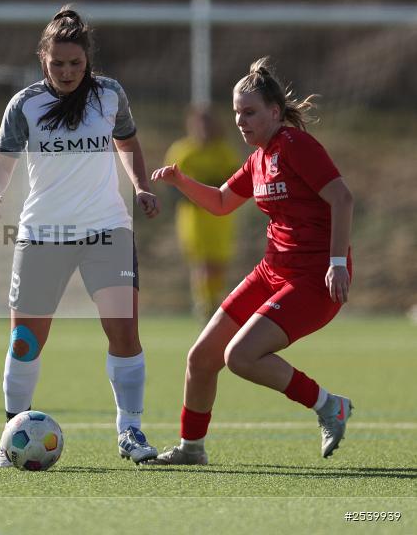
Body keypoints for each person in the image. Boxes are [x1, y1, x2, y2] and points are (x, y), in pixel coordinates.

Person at [149, 57, 354, 464]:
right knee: (201, 358)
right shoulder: (258, 158)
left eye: (250, 112)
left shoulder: (295, 145)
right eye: (237, 113)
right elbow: (222, 202)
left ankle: (329, 405)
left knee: (240, 356)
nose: (241, 121)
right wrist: (180, 180)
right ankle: (191, 449)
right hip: (272, 271)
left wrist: (337, 262)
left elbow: (342, 198)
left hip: (314, 279)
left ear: (274, 112)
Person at [0, 7, 161, 467]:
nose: (66, 71)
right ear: (43, 59)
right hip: (43, 233)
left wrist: (141, 186)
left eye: (75, 63)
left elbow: (127, 142)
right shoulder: (25, 104)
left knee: (124, 332)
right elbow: (3, 159)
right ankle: (11, 436)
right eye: (57, 63)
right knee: (25, 340)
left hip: (107, 229)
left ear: (88, 61)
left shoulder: (109, 95)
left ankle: (130, 431)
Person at [163, 106, 240, 321]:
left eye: (207, 123)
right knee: (202, 263)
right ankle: (204, 306)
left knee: (218, 263)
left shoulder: (223, 151)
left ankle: (215, 300)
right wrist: (195, 195)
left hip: (220, 216)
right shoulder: (182, 152)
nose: (203, 128)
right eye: (199, 124)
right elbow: (171, 186)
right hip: (193, 217)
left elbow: (235, 180)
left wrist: (213, 191)